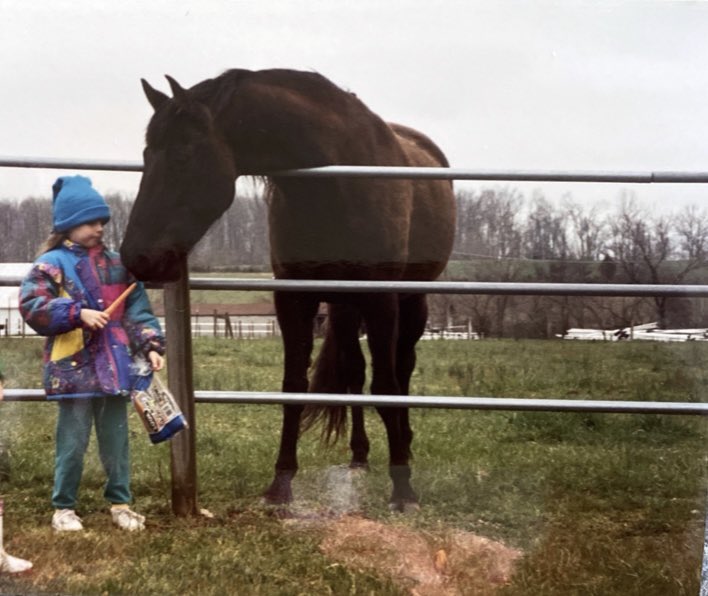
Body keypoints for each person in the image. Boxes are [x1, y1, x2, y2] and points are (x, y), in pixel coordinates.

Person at [19, 175, 165, 533]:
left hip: (115, 368)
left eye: (102, 222)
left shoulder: (119, 264)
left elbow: (137, 311)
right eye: (90, 222)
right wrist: (75, 313)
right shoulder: (50, 264)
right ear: (68, 223)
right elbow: (32, 304)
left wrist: (150, 345)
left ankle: (120, 503)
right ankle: (63, 508)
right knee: (72, 441)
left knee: (116, 441)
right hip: (73, 370)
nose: (99, 228)